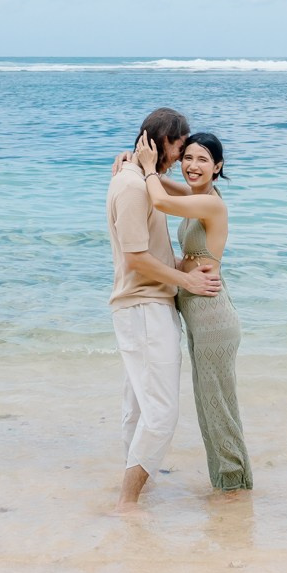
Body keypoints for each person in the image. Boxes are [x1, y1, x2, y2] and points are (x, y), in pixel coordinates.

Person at [108, 107, 220, 512]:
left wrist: (141, 165)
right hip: (144, 305)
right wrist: (187, 281)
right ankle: (128, 500)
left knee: (138, 407)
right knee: (161, 414)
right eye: (178, 147)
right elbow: (136, 257)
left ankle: (137, 487)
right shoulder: (133, 187)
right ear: (158, 141)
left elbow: (187, 197)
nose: (181, 155)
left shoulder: (135, 178)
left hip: (143, 305)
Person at [139, 131, 252, 495]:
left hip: (212, 316)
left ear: (218, 167)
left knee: (218, 404)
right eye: (187, 157)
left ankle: (234, 487)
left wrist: (146, 169)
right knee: (207, 404)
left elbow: (158, 198)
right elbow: (168, 187)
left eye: (203, 159)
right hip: (199, 312)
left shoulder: (211, 204)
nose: (192, 165)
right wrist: (135, 162)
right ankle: (226, 484)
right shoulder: (197, 196)